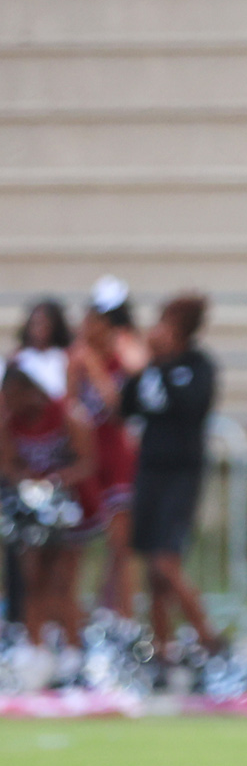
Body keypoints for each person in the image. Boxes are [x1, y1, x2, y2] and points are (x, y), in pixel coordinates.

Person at [124, 295, 221, 663]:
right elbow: (126, 408)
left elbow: (192, 408)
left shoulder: (198, 365)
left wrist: (162, 367)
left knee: (166, 562)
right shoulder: (148, 366)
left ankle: (210, 640)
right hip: (150, 469)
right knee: (151, 569)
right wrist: (140, 370)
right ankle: (162, 648)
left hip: (182, 472)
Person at [0, 350, 99, 686]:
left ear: (30, 392)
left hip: (70, 507)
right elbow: (8, 464)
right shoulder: (9, 423)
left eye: (12, 396)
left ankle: (73, 653)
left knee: (63, 581)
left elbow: (87, 462)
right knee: (33, 579)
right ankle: (35, 651)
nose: (8, 403)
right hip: (32, 511)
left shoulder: (67, 415)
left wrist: (55, 483)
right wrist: (29, 485)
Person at [67, 279, 145, 617]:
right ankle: (79, 617)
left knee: (121, 544)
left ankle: (122, 614)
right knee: (76, 545)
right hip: (87, 456)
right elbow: (69, 407)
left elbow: (117, 407)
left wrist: (94, 365)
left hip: (117, 455)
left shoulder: (122, 353)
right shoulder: (76, 357)